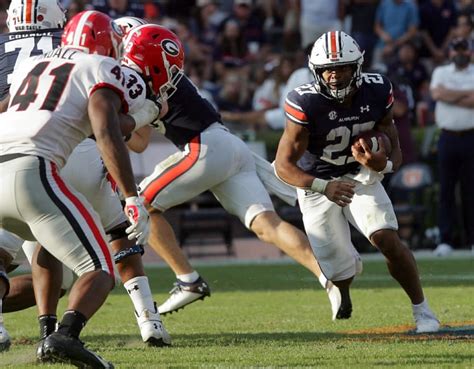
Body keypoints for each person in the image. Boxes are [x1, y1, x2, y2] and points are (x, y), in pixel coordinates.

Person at [121, 24, 344, 320]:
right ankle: (330, 278)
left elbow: (139, 136)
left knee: (139, 204)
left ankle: (188, 280)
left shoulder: (138, 76)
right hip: (228, 145)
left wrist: (108, 125)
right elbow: (140, 141)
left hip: (204, 147)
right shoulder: (162, 72)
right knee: (268, 225)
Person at [0, 12, 170, 349]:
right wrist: (148, 114)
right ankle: (67, 336)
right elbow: (109, 130)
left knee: (17, 253)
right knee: (101, 265)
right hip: (39, 167)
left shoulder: (29, 67)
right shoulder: (99, 65)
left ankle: (44, 331)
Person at [274, 30, 440, 333]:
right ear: (316, 71)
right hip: (317, 182)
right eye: (327, 70)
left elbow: (395, 146)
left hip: (359, 174)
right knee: (338, 269)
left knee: (386, 238)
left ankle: (423, 310)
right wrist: (324, 186)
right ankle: (342, 288)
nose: (335, 76)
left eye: (342, 68)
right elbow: (283, 165)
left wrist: (383, 163)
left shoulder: (377, 91)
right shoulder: (304, 102)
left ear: (358, 66)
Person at [430, 37, 474, 257]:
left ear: (469, 52)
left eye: (463, 50)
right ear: (449, 53)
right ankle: (445, 239)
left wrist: (450, 95)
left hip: (471, 137)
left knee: (471, 190)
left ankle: (472, 239)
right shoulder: (441, 73)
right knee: (446, 190)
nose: (460, 53)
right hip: (447, 137)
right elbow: (437, 94)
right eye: (456, 50)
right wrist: (465, 94)